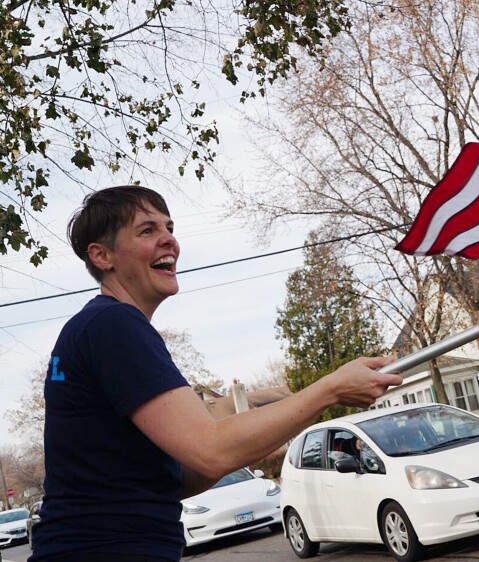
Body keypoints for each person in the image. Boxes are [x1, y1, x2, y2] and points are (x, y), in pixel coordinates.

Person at [29, 186, 403, 562]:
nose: (169, 240)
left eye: (169, 227)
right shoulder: (113, 324)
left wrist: (259, 431)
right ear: (102, 255)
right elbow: (211, 450)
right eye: (147, 230)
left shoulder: (99, 327)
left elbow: (188, 474)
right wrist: (330, 389)